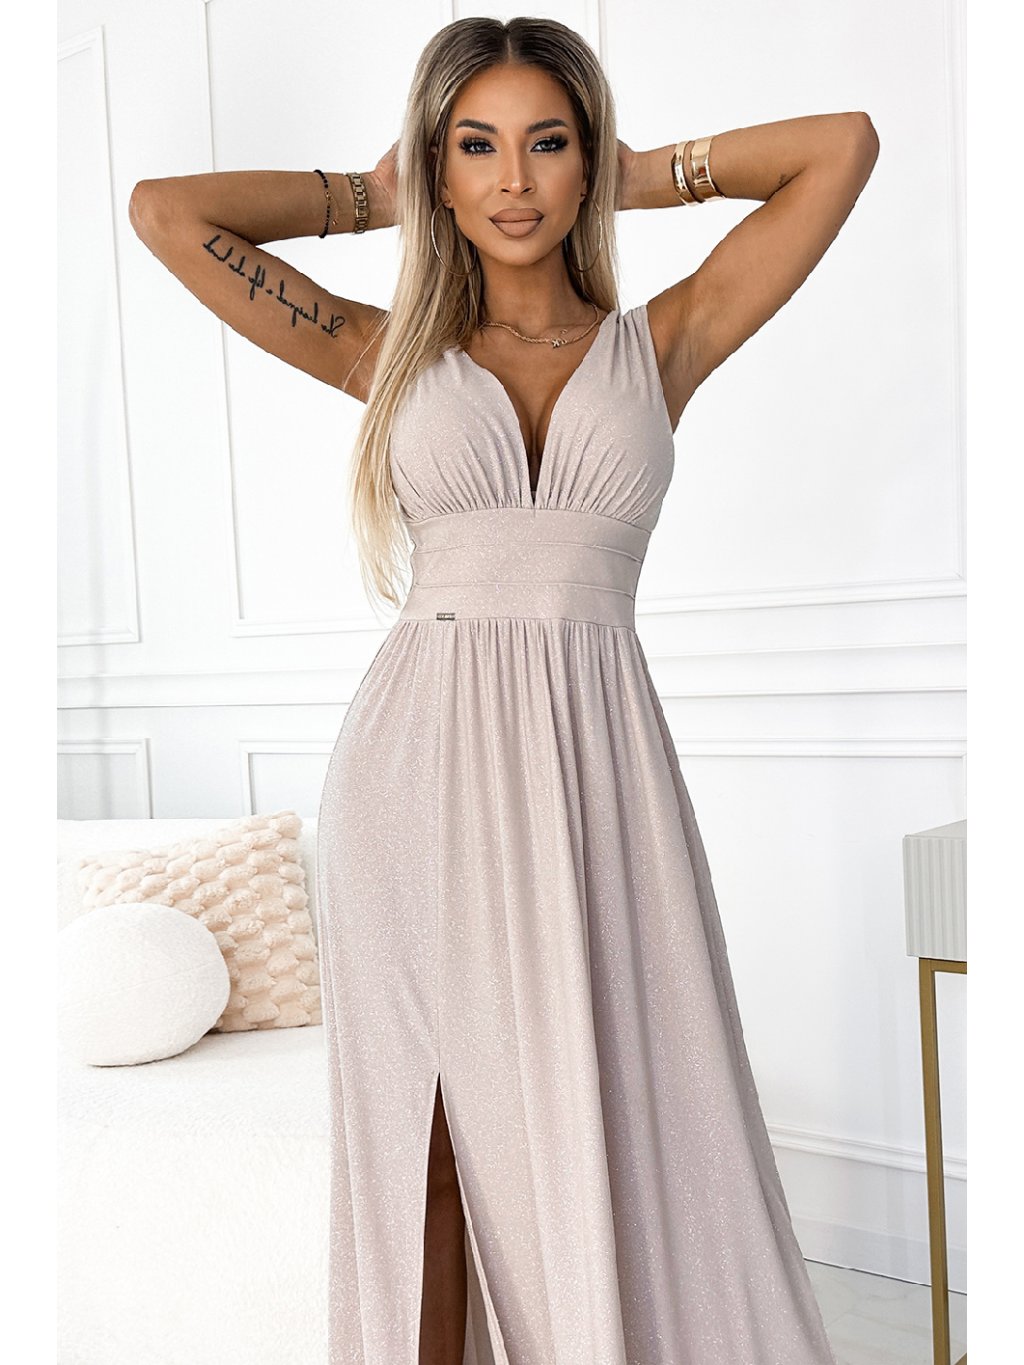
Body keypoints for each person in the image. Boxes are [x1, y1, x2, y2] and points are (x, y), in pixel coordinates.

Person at [130, 15, 878, 1365]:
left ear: (587, 157)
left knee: (626, 1106)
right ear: (439, 166)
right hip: (416, 775)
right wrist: (376, 196)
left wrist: (639, 172)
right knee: (426, 1142)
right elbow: (165, 213)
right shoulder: (386, 352)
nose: (514, 179)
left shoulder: (666, 341)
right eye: (476, 147)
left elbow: (843, 147)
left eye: (548, 143)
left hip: (603, 769)